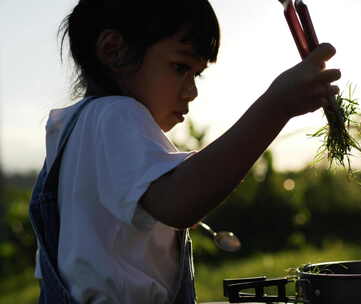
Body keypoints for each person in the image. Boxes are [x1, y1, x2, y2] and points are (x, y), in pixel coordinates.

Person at [29, 0, 340, 303]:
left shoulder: (74, 127)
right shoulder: (117, 114)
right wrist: (276, 107)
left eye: (196, 74)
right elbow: (179, 202)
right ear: (114, 50)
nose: (191, 91)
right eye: (180, 67)